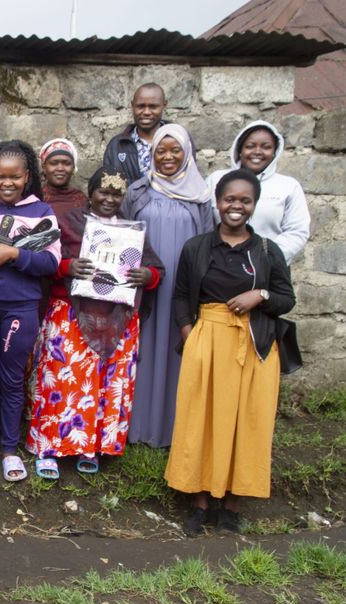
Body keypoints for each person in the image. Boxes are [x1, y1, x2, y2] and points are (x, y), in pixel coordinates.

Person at [165, 169, 295, 535]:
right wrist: (190, 334)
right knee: (202, 419)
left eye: (244, 200)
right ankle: (199, 502)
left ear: (254, 205)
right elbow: (180, 295)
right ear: (217, 202)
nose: (236, 206)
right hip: (207, 338)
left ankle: (233, 505)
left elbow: (287, 298)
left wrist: (261, 295)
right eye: (229, 199)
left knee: (246, 421)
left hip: (253, 344)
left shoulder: (268, 251)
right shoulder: (197, 247)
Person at [26, 167, 164, 478]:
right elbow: (44, 261)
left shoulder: (132, 231)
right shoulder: (69, 223)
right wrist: (67, 266)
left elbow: (157, 269)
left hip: (116, 321)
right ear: (91, 192)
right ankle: (48, 447)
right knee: (62, 382)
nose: (109, 199)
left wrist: (148, 276)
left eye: (117, 193)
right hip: (71, 315)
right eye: (103, 191)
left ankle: (89, 447)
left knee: (101, 385)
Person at [0, 140, 61, 485]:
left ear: (27, 176)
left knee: (13, 379)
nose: (7, 183)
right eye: (0, 177)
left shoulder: (41, 212)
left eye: (15, 177)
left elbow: (51, 262)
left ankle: (9, 449)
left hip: (20, 307)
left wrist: (16, 255)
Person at [121, 123, 214, 448]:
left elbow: (208, 244)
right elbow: (123, 233)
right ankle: (135, 428)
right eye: (161, 150)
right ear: (153, 154)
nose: (168, 157)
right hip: (144, 288)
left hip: (184, 287)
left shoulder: (201, 197)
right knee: (142, 350)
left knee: (179, 349)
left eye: (176, 150)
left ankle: (175, 431)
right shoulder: (138, 191)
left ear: (187, 153)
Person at [205, 120, 310, 263]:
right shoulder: (216, 180)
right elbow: (205, 223)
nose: (257, 152)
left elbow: (297, 231)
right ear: (239, 150)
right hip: (222, 265)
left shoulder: (288, 186)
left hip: (271, 267)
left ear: (275, 152)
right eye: (250, 146)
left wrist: (265, 257)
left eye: (266, 147)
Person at [103, 83, 170, 184]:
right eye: (140, 106)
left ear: (164, 105)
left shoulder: (179, 142)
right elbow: (109, 187)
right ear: (133, 106)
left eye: (153, 106)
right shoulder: (116, 146)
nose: (146, 112)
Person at [39, 137, 87, 216]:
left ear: (73, 168)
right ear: (44, 167)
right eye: (54, 163)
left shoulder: (81, 200)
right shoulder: (37, 199)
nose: (60, 168)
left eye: (66, 163)